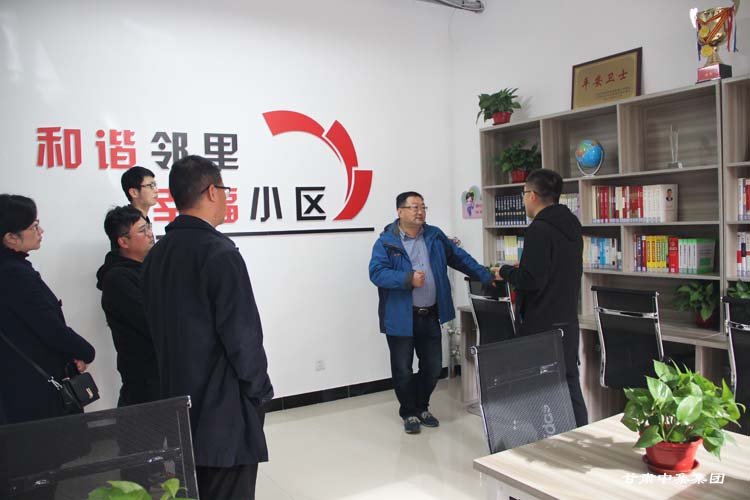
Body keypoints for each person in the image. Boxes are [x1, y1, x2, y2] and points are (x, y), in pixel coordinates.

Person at [142, 155, 273, 500]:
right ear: (212, 192)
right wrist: (260, 392)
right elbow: (243, 337)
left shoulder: (157, 255)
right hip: (223, 411)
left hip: (178, 406)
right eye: (225, 190)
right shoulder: (219, 253)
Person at [369, 191, 495, 435]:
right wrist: (407, 279)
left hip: (430, 314)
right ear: (400, 211)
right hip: (400, 317)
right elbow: (376, 273)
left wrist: (485, 275)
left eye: (423, 207)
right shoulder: (386, 242)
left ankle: (421, 406)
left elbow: (460, 259)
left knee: (433, 366)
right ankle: (409, 412)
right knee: (403, 369)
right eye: (414, 207)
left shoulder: (435, 236)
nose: (420, 212)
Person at [496, 169, 588, 427]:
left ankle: (546, 438)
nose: (524, 199)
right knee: (569, 381)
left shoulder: (539, 229)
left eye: (524, 194)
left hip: (542, 322)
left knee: (541, 386)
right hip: (567, 319)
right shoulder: (571, 224)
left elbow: (531, 280)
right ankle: (579, 435)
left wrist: (505, 271)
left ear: (533, 195)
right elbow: (554, 269)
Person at [0, 194, 95, 425]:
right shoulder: (14, 274)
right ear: (10, 238)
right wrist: (85, 351)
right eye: (34, 226)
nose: (40, 231)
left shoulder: (12, 269)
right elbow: (49, 328)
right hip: (35, 391)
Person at [96, 206, 158, 407]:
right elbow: (152, 322)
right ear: (123, 242)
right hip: (145, 382)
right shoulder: (118, 279)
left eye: (148, 227)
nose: (150, 234)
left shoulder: (151, 269)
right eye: (142, 230)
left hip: (165, 375)